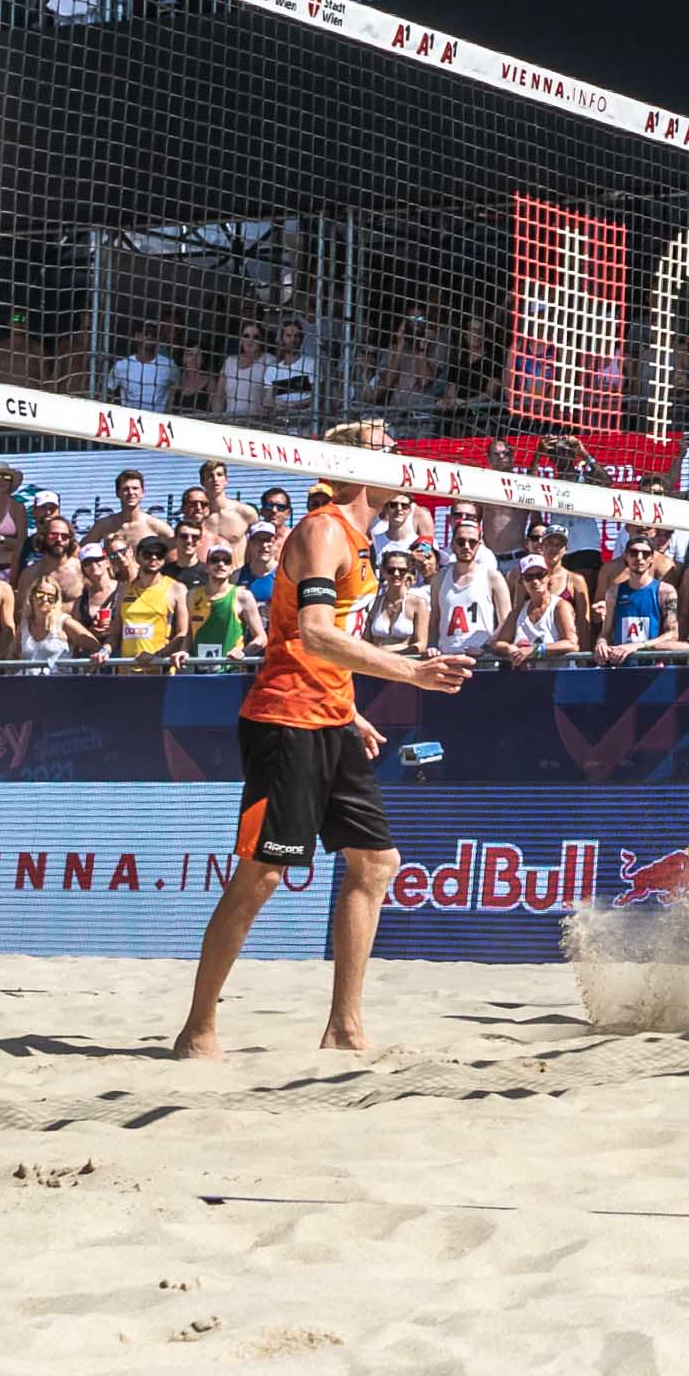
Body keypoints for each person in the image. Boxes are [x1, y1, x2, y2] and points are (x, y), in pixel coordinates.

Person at [173, 435, 477, 1061]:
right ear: (360, 468)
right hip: (283, 721)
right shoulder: (321, 531)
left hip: (331, 718)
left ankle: (344, 1026)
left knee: (375, 863)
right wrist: (412, 672)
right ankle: (198, 1027)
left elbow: (325, 643)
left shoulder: (363, 542)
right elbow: (312, 636)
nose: (400, 455)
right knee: (262, 875)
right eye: (385, 448)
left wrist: (351, 710)